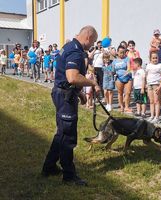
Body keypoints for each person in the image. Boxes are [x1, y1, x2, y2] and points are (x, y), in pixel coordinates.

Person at [42, 26, 100, 186]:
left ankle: (49, 167)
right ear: (88, 37)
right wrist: (92, 83)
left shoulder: (68, 46)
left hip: (64, 93)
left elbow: (65, 77)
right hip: (64, 97)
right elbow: (72, 77)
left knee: (61, 133)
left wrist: (79, 94)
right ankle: (69, 175)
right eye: (93, 41)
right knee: (67, 136)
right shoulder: (75, 51)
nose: (92, 45)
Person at [146, 51, 161, 123]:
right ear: (150, 59)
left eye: (156, 58)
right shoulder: (148, 65)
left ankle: (157, 117)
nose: (155, 59)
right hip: (149, 85)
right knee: (151, 101)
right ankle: (152, 116)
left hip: (156, 85)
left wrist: (160, 86)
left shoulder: (160, 65)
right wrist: (146, 84)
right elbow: (147, 74)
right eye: (153, 58)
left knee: (156, 101)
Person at [112, 45, 132, 113]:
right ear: (117, 52)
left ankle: (126, 107)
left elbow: (129, 67)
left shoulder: (127, 59)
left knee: (128, 93)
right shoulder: (114, 61)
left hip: (127, 78)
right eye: (120, 52)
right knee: (120, 93)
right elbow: (112, 70)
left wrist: (127, 72)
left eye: (123, 52)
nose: (122, 54)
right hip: (119, 78)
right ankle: (121, 107)